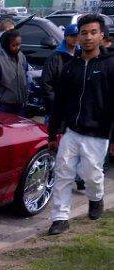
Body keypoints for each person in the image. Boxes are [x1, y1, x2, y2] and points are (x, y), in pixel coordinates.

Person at [47, 14, 114, 235]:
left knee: (91, 176)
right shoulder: (70, 66)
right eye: (83, 33)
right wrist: (53, 132)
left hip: (97, 134)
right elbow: (59, 102)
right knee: (63, 173)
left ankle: (96, 197)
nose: (87, 37)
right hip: (72, 132)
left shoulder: (110, 65)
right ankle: (60, 218)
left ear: (101, 35)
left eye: (93, 32)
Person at [42, 24, 79, 120]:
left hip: (74, 109)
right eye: (72, 36)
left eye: (77, 35)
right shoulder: (55, 58)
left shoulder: (81, 56)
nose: (75, 39)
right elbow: (46, 84)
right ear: (66, 37)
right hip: (57, 109)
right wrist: (55, 104)